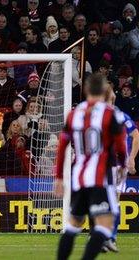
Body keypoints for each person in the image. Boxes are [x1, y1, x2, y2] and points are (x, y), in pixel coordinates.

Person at [54, 74, 127, 260]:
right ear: (104, 91)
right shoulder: (110, 114)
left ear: (86, 90)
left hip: (78, 178)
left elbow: (62, 148)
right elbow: (120, 146)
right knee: (104, 225)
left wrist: (59, 178)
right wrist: (123, 166)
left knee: (73, 225)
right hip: (101, 177)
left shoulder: (73, 114)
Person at [103, 86, 139, 252]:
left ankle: (111, 237)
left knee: (112, 200)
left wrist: (131, 158)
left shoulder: (121, 117)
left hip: (117, 164)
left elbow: (136, 134)